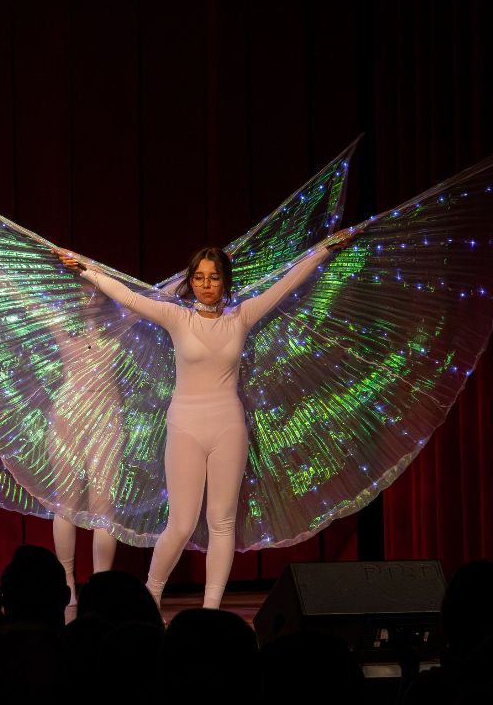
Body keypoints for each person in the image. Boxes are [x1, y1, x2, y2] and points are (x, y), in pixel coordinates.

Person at [53, 234, 351, 609]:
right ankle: (151, 598)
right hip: (185, 427)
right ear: (190, 281)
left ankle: (211, 611)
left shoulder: (242, 316)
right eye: (199, 277)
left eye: (213, 277)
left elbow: (287, 283)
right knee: (180, 524)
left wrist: (324, 250)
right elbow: (129, 298)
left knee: (222, 522)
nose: (206, 285)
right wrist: (87, 270)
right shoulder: (178, 318)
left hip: (228, 427)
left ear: (225, 281)